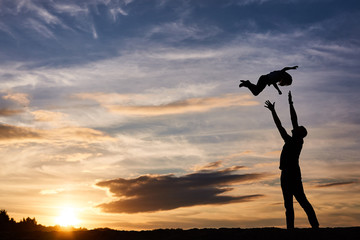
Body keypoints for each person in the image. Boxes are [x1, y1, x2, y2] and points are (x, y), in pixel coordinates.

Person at [264, 91, 319, 229]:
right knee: (289, 204)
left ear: (299, 133)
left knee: (301, 201)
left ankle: (315, 227)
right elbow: (280, 126)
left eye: (297, 128)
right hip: (286, 174)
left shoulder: (297, 142)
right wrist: (273, 111)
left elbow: (293, 119)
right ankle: (291, 230)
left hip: (292, 174)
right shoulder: (289, 140)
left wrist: (290, 104)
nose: (295, 128)